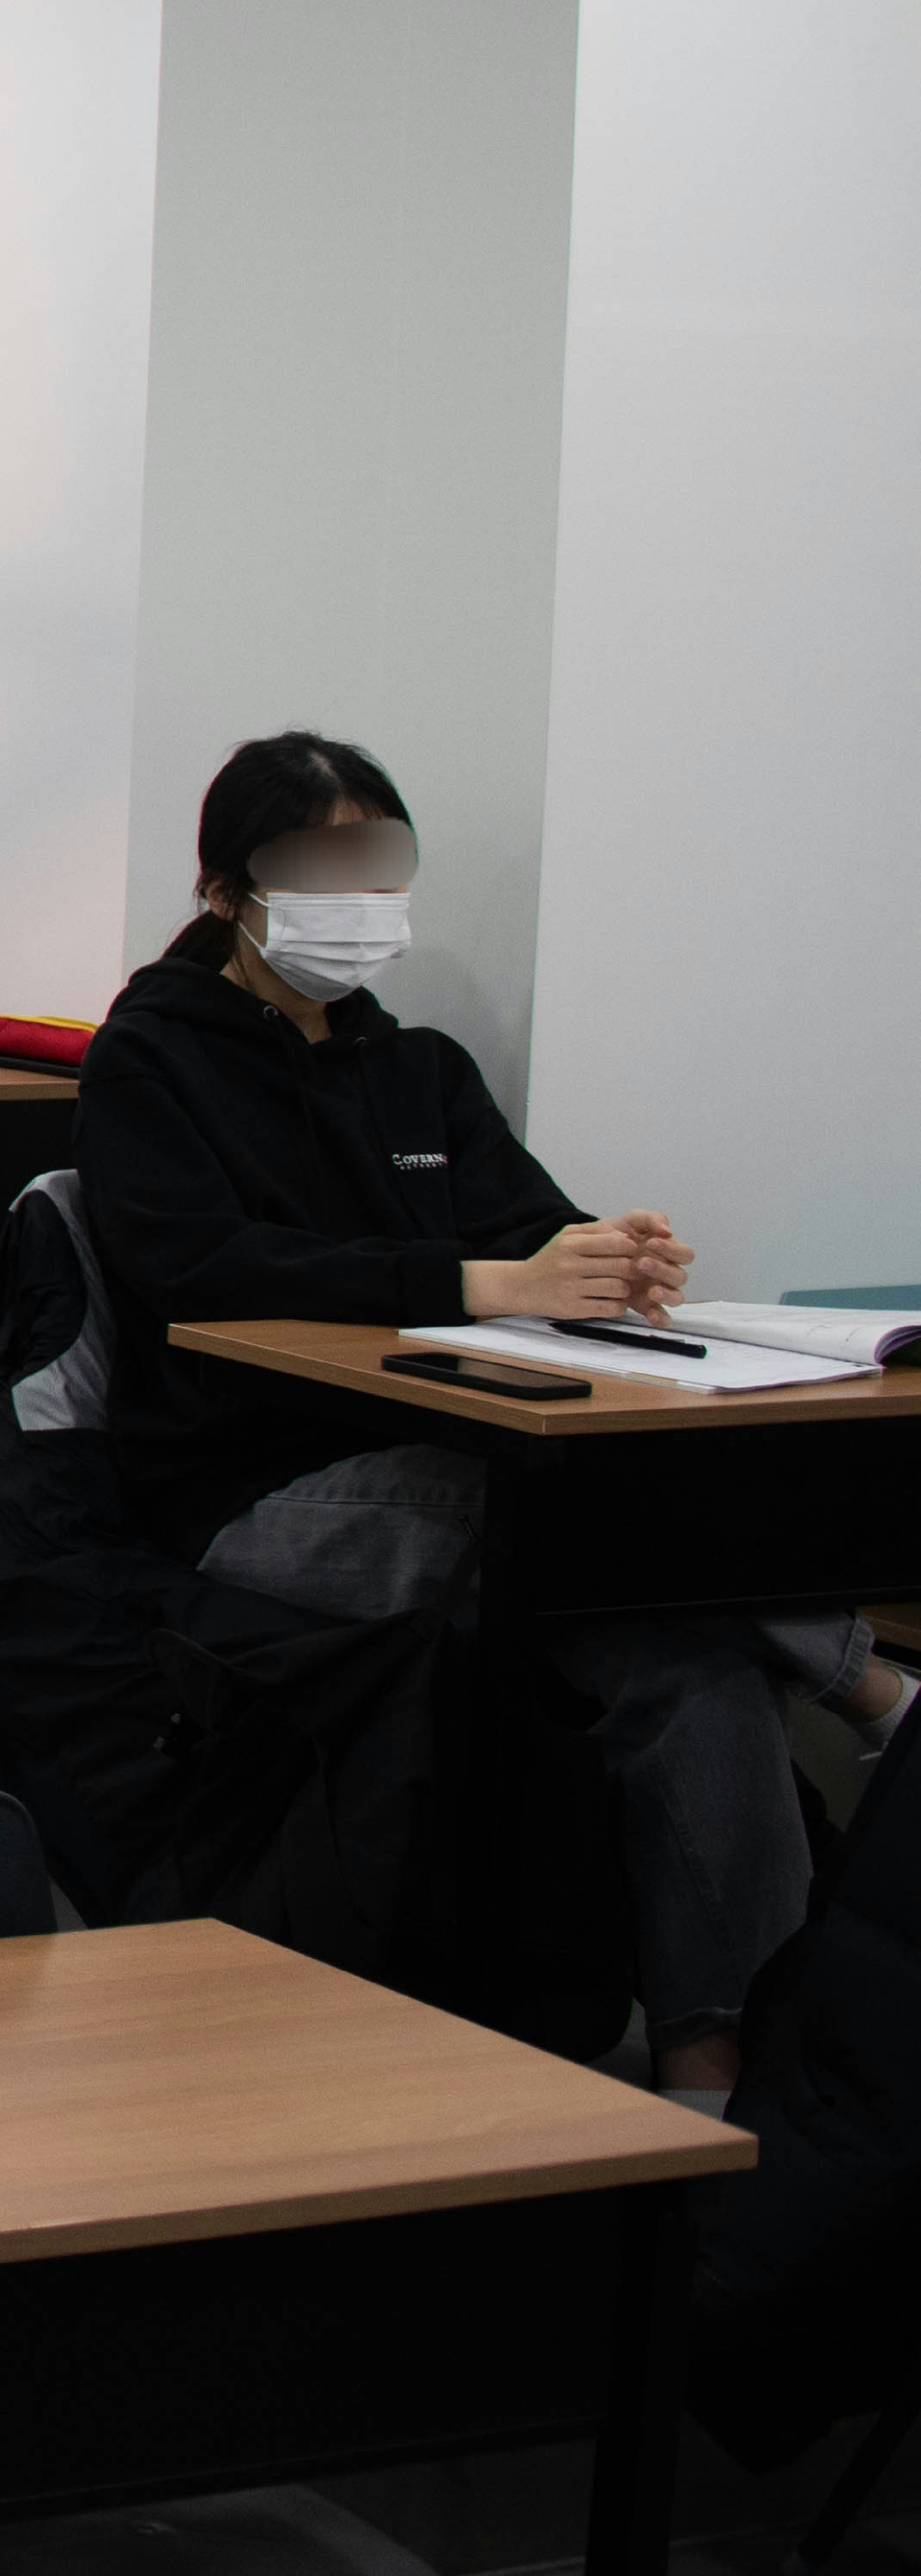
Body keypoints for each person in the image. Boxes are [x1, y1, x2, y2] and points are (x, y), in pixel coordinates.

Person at [79, 732, 913, 2096]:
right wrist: (478, 1280)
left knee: (683, 1659)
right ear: (228, 890)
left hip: (452, 1450)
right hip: (257, 1484)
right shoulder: (152, 1060)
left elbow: (528, 1226)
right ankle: (873, 1690)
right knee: (590, 1537)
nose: (360, 894)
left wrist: (606, 1259)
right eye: (321, 865)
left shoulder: (420, 1070)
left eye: (378, 862)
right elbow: (197, 1267)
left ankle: (719, 2071)